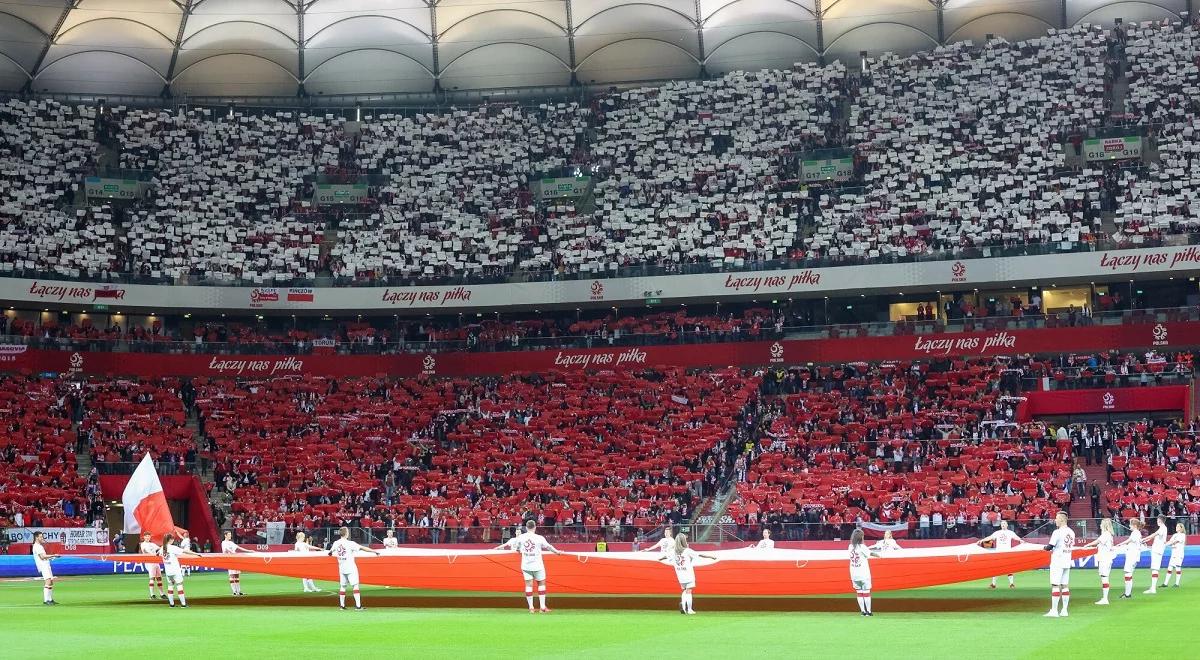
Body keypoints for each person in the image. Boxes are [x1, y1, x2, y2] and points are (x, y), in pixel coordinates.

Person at [495, 520, 565, 613]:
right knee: (541, 584)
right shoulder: (539, 538)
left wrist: (520, 550)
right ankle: (542, 607)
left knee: (528, 585)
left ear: (526, 527)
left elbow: (517, 548)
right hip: (538, 565)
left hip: (526, 565)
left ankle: (531, 607)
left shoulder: (521, 537)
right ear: (535, 527)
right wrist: (557, 553)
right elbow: (549, 547)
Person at [658, 532, 718, 614]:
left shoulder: (673, 552)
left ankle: (683, 605)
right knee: (689, 591)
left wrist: (660, 559)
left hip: (680, 574)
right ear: (684, 541)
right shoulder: (687, 551)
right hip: (688, 574)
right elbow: (699, 554)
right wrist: (711, 557)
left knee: (684, 590)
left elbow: (666, 556)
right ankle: (689, 609)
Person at [329, 526, 380, 610]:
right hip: (350, 566)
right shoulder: (350, 543)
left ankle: (342, 606)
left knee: (343, 586)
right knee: (355, 585)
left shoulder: (336, 543)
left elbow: (330, 552)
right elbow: (363, 548)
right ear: (346, 534)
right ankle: (358, 606)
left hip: (341, 567)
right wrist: (374, 551)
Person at [1043, 511, 1074, 618]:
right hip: (1067, 560)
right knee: (1065, 585)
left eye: (1056, 518)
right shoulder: (1071, 532)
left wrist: (1042, 548)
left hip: (1058, 560)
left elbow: (1049, 547)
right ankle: (1064, 610)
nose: (1055, 520)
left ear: (1061, 519)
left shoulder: (1057, 532)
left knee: (1055, 585)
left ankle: (1054, 611)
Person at [159, 533, 201, 608]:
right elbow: (185, 551)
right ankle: (183, 604)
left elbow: (157, 554)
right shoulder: (172, 547)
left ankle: (171, 604)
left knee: (170, 586)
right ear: (171, 540)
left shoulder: (162, 548)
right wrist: (195, 553)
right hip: (175, 570)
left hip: (168, 571)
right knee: (179, 585)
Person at [978, 520, 1022, 589]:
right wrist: (982, 540)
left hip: (1007, 553)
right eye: (1002, 524)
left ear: (1007, 525)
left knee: (1009, 569)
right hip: (999, 553)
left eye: (1004, 524)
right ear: (1000, 525)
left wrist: (1020, 540)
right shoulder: (997, 533)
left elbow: (1016, 537)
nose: (1003, 525)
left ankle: (1011, 584)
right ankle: (993, 584)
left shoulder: (1010, 532)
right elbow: (990, 537)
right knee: (996, 569)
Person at [1081, 518, 1116, 604]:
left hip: (1105, 559)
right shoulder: (1109, 535)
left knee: (1104, 577)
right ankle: (1105, 598)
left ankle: (1105, 598)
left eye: (1101, 524)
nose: (1100, 526)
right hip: (1107, 558)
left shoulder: (1106, 534)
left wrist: (1087, 545)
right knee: (1105, 577)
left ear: (1104, 525)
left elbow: (1097, 541)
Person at [848, 528, 881, 616]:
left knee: (859, 592)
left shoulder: (850, 547)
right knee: (866, 591)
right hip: (863, 573)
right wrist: (879, 555)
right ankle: (869, 612)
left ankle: (863, 611)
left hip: (854, 573)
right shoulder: (862, 547)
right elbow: (870, 553)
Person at [1114, 518, 1145, 600]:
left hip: (1132, 556)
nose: (1129, 526)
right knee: (1128, 574)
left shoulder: (1135, 533)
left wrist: (1119, 545)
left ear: (1134, 525)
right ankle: (1127, 593)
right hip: (1133, 556)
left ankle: (1127, 594)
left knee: (1128, 574)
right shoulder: (1137, 533)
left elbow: (1129, 540)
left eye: (1130, 524)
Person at [221, 531, 253, 596]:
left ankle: (239, 591)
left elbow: (239, 547)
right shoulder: (223, 543)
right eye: (229, 535)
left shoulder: (231, 542)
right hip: (229, 560)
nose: (230, 536)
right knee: (232, 576)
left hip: (235, 559)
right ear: (225, 535)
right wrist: (232, 553)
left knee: (237, 576)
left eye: (230, 534)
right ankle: (234, 592)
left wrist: (249, 551)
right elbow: (226, 549)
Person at [32, 531, 59, 605]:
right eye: (40, 536)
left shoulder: (40, 546)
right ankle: (46, 600)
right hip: (43, 565)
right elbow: (42, 557)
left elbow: (44, 557)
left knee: (51, 581)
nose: (42, 538)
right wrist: (53, 555)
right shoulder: (37, 546)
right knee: (48, 581)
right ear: (36, 537)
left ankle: (50, 599)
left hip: (46, 564)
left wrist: (51, 558)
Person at [1144, 515, 1168, 594]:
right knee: (1154, 568)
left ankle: (1153, 588)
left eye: (1158, 519)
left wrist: (1144, 539)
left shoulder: (1162, 528)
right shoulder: (1162, 528)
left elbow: (1154, 534)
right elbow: (1154, 536)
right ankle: (1152, 587)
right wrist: (1145, 539)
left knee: (1155, 569)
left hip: (1157, 551)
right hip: (1157, 550)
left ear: (1160, 520)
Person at [139, 531, 165, 600]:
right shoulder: (143, 544)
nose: (147, 537)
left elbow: (159, 548)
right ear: (144, 537)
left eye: (148, 536)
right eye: (146, 536)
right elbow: (146, 551)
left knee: (159, 578)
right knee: (152, 578)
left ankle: (162, 594)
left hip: (156, 562)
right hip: (149, 562)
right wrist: (155, 554)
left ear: (150, 537)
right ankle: (152, 594)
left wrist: (162, 547)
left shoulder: (152, 544)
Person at [1164, 522, 1186, 588]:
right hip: (1173, 553)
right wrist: (1164, 543)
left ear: (1181, 528)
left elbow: (1174, 542)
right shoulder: (1174, 535)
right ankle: (1165, 583)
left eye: (1178, 526)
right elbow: (1170, 542)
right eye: (1176, 526)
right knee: (1169, 567)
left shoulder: (1182, 535)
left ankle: (1177, 583)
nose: (1176, 527)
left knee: (1177, 567)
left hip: (1179, 554)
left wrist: (1165, 544)